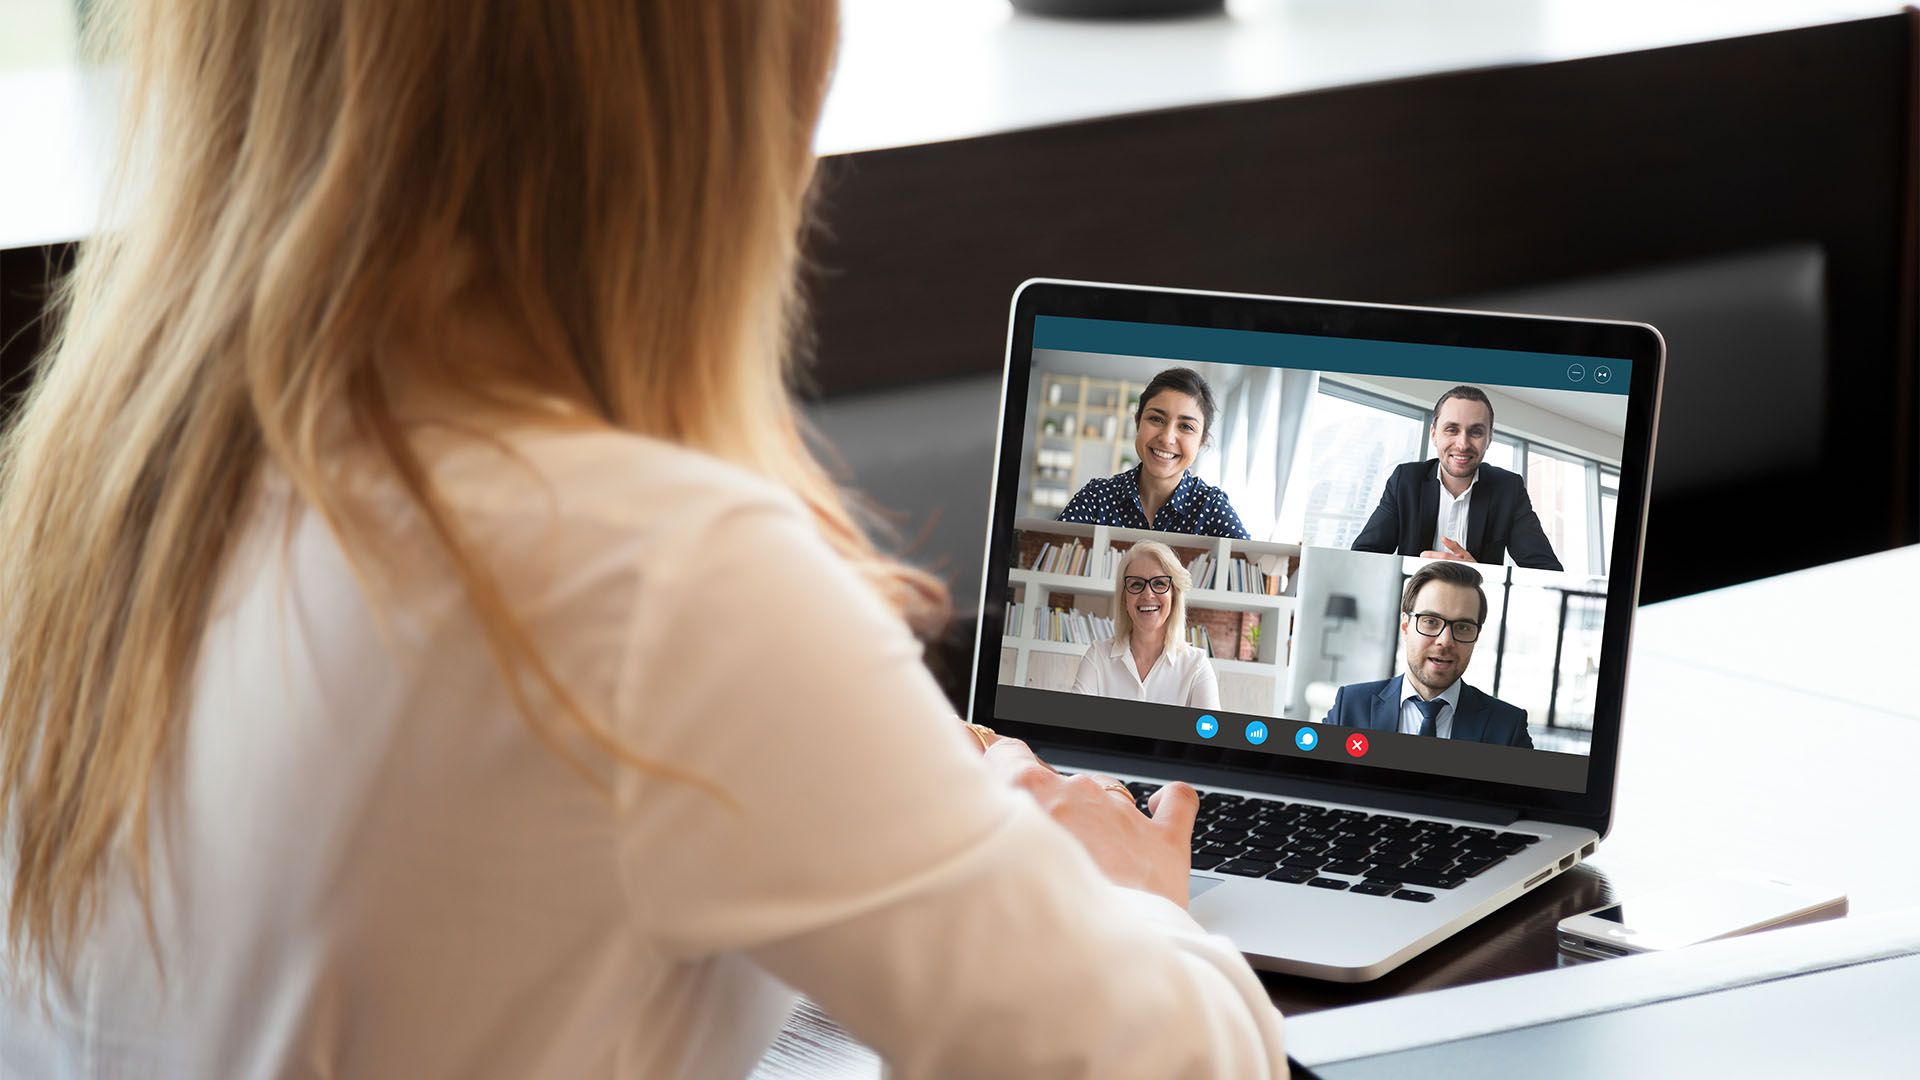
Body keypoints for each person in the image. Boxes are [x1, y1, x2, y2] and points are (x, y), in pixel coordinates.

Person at [0, 2, 1286, 1076]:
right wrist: (1113, 904)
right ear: (717, 94)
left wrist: (877, 801)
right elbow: (1169, 1064)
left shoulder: (93, 507)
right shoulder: (654, 575)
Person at [1350, 385, 1563, 570]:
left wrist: (1477, 575)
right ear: (1434, 434)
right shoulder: (1405, 480)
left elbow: (1547, 571)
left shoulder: (1508, 488)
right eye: (1452, 429)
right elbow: (1364, 557)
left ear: (1490, 437)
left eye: (1476, 432)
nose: (1462, 444)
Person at [1322, 562, 1534, 748]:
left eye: (1463, 627)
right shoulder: (1350, 705)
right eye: (1431, 621)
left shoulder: (1508, 727)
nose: (1445, 641)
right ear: (1405, 625)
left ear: (1477, 635)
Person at [1058, 367, 1251, 538]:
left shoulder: (1211, 506)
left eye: (1186, 426)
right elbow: (1047, 557)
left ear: (1202, 442)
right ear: (1137, 422)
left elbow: (1254, 569)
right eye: (1156, 419)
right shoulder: (1097, 496)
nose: (1167, 438)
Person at [1070, 542, 1222, 709]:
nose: (1148, 594)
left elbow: (1208, 733)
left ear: (1174, 595)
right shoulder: (1097, 657)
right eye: (1136, 584)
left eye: (1159, 583)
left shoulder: (1197, 666)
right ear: (1124, 598)